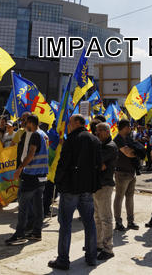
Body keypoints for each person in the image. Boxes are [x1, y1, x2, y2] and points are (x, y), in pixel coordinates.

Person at [49, 114, 100, 270]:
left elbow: (63, 164)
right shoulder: (94, 139)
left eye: (70, 122)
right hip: (87, 188)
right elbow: (98, 164)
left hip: (70, 187)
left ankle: (63, 260)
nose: (68, 125)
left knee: (65, 224)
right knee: (89, 222)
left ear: (77, 123)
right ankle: (91, 257)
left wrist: (57, 181)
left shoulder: (71, 139)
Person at [6, 115, 49, 245]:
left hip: (31, 176)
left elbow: (31, 154)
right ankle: (36, 232)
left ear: (31, 123)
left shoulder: (35, 135)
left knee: (23, 206)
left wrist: (20, 168)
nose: (24, 125)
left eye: (25, 122)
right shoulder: (43, 134)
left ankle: (19, 234)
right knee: (38, 206)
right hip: (41, 176)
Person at [113, 119, 144, 231]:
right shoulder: (118, 139)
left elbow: (134, 151)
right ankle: (118, 222)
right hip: (122, 172)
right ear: (124, 128)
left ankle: (130, 221)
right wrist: (138, 152)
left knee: (130, 198)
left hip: (131, 172)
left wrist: (137, 151)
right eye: (129, 127)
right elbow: (128, 153)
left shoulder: (129, 138)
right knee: (119, 197)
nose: (131, 128)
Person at [93, 122, 117, 261]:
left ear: (107, 132)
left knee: (106, 218)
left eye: (99, 131)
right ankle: (98, 244)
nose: (97, 134)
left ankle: (108, 248)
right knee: (97, 217)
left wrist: (97, 164)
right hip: (97, 185)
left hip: (105, 185)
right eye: (96, 131)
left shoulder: (110, 146)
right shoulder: (101, 145)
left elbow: (97, 162)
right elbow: (96, 164)